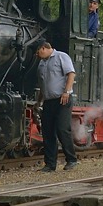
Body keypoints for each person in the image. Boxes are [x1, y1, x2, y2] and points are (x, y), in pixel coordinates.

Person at [32, 39, 78, 172]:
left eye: (37, 52)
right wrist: (39, 101)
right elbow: (43, 85)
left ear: (43, 48)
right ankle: (50, 164)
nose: (37, 56)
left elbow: (71, 74)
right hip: (48, 100)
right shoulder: (41, 64)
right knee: (47, 132)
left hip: (62, 99)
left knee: (62, 129)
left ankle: (71, 159)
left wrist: (66, 92)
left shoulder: (61, 57)